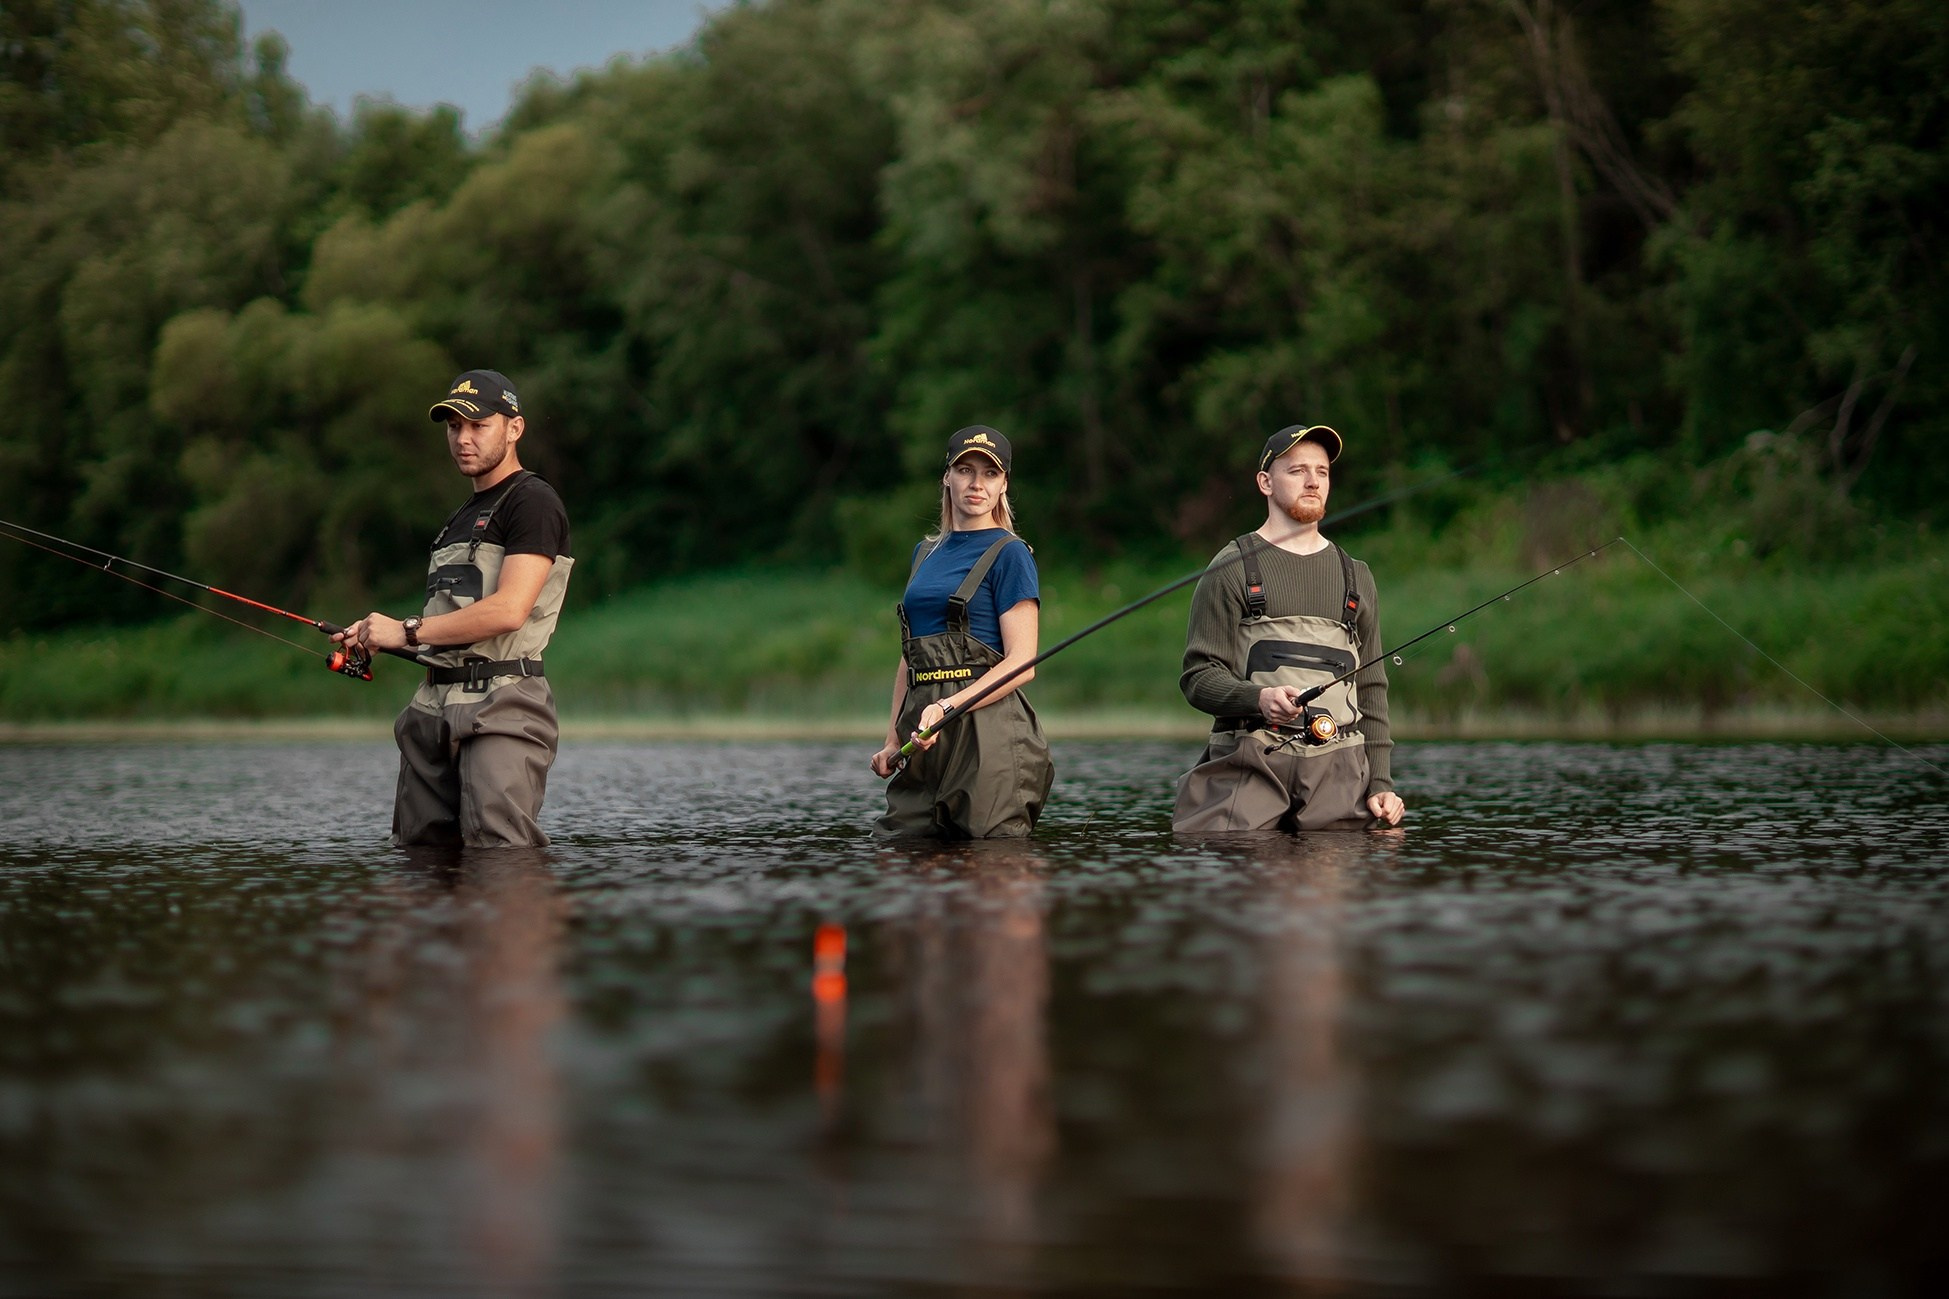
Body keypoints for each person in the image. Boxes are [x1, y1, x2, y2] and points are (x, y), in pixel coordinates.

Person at [335, 369, 574, 847]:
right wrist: (374, 636)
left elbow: (509, 611)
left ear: (514, 428)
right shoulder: (457, 519)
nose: (463, 439)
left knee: (500, 852)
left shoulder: (532, 501)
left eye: (478, 425)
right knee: (419, 853)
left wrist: (404, 631)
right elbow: (445, 625)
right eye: (453, 427)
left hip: (502, 704)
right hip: (432, 708)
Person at [1173, 423, 1405, 832]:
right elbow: (1198, 678)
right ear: (1265, 482)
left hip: (1340, 771)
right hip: (1249, 762)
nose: (1313, 481)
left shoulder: (1357, 576)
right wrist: (1258, 699)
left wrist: (1381, 782)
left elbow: (1372, 687)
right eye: (1297, 471)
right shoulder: (1230, 568)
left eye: (1322, 471)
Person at [869, 426, 1054, 838]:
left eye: (990, 474)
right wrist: (890, 737)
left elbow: (1022, 664)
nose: (976, 484)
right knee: (899, 857)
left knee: (987, 872)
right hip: (921, 735)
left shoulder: (1011, 554)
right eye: (965, 470)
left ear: (1004, 483)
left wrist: (948, 707)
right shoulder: (924, 554)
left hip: (988, 734)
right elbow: (911, 656)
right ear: (946, 478)